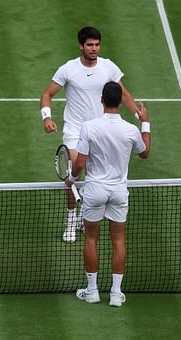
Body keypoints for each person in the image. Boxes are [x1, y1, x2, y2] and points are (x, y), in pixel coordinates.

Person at [40, 26, 142, 243]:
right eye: (89, 45)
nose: (94, 49)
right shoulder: (68, 69)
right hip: (75, 131)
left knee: (93, 178)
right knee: (73, 173)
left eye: (97, 45)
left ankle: (83, 218)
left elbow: (124, 94)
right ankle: (70, 220)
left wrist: (139, 116)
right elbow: (47, 94)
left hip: (100, 131)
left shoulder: (108, 68)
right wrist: (46, 117)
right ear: (81, 46)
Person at [65, 81, 151, 307]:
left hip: (95, 190)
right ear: (121, 102)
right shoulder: (131, 130)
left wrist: (71, 179)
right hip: (119, 192)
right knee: (119, 240)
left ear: (101, 100)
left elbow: (80, 162)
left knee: (91, 239)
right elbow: (145, 153)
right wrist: (145, 123)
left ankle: (92, 291)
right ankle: (115, 294)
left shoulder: (89, 127)